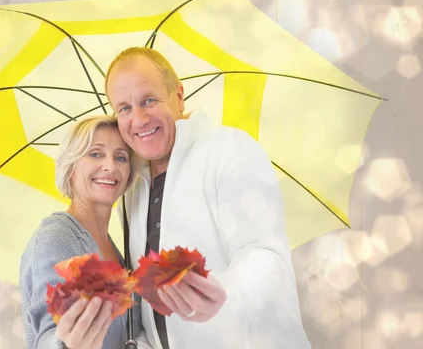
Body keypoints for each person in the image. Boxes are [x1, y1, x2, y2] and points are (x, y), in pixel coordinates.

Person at [104, 47, 312, 349]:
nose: (138, 119)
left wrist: (222, 292)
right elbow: (154, 312)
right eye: (124, 108)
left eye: (149, 100)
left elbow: (266, 256)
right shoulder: (131, 186)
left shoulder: (230, 149)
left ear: (178, 96)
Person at [19, 115, 153, 349]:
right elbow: (49, 334)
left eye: (120, 157)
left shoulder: (116, 246)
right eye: (95, 154)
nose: (110, 166)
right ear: (70, 167)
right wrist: (67, 344)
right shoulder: (57, 236)